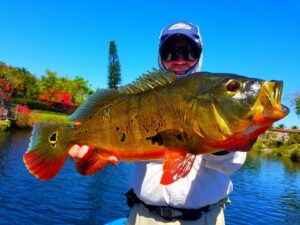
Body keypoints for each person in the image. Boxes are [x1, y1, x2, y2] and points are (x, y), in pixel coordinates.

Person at [69, 21, 253, 225]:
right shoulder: (143, 98)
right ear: (160, 56)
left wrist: (219, 141)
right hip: (143, 217)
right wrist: (87, 150)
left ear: (200, 55)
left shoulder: (218, 98)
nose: (180, 60)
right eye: (170, 52)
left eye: (189, 52)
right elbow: (96, 153)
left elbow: (230, 165)